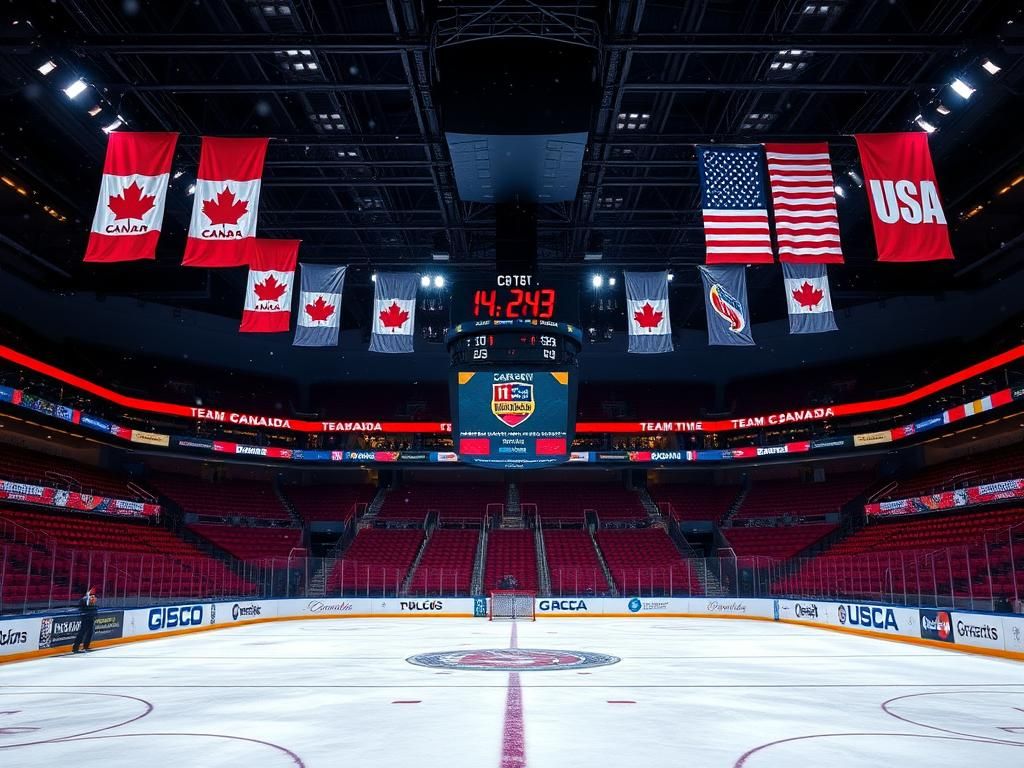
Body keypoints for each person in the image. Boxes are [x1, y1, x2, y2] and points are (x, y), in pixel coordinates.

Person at [72, 586, 98, 653]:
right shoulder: (84, 599)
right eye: (91, 592)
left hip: (91, 617)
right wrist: (90, 599)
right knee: (82, 632)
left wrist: (95, 615)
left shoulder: (91, 598)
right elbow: (84, 606)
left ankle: (86, 646)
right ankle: (75, 647)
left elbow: (93, 607)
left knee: (90, 632)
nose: (93, 594)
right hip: (85, 618)